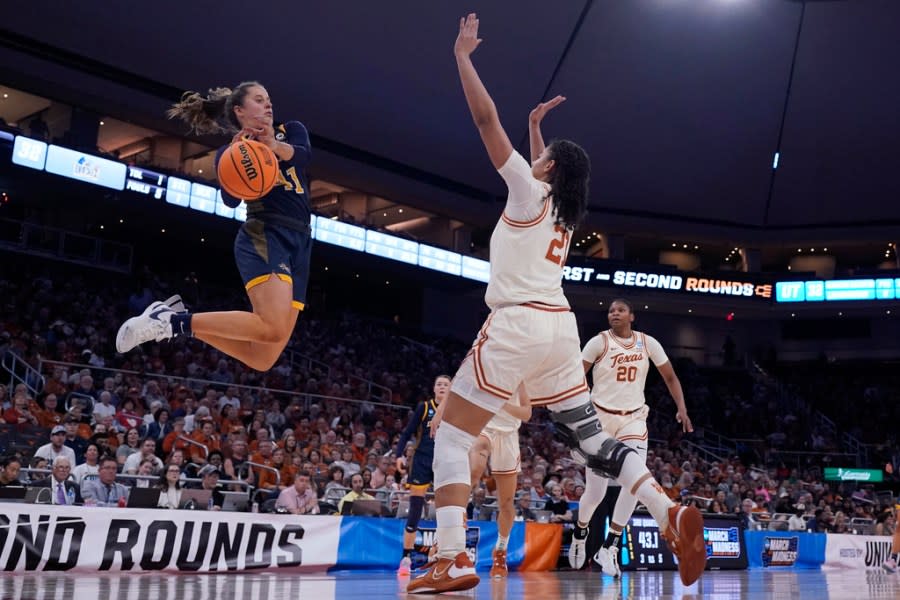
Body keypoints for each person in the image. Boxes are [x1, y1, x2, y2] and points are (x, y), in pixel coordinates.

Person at [408, 14, 705, 594]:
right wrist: (538, 129)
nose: (531, 157)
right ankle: (667, 510)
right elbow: (543, 168)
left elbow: (484, 121)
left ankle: (450, 556)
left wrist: (463, 58)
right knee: (595, 442)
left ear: (545, 170)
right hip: (561, 332)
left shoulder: (527, 188)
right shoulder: (564, 213)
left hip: (517, 324)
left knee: (451, 434)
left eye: (538, 156)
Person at [116, 81, 313, 373]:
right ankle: (170, 322)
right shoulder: (229, 152)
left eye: (269, 99)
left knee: (262, 358)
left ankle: (175, 320)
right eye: (259, 100)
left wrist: (274, 146)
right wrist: (237, 156)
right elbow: (231, 200)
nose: (268, 104)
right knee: (270, 327)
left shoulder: (291, 130)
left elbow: (305, 156)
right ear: (240, 110)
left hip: (302, 241)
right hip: (265, 233)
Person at [569, 298, 692, 575]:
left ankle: (610, 545)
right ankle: (581, 532)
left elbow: (670, 377)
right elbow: (577, 377)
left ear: (631, 316)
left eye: (620, 310)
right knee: (595, 492)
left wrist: (682, 408)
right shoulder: (598, 342)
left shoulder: (648, 343)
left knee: (633, 484)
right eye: (611, 310)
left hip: (634, 419)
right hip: (599, 419)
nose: (614, 313)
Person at [462, 387, 532, 578]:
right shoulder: (486, 367)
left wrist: (505, 405)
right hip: (484, 428)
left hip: (508, 435)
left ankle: (500, 551)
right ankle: (454, 526)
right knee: (474, 471)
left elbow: (526, 414)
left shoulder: (519, 378)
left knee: (506, 503)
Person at [394, 375, 450, 575]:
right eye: (439, 384)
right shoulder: (424, 407)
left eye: (446, 384)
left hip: (444, 462)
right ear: (434, 389)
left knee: (446, 511)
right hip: (422, 461)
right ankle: (406, 558)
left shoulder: (454, 410)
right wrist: (399, 455)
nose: (442, 387)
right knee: (415, 510)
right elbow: (406, 433)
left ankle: (445, 556)